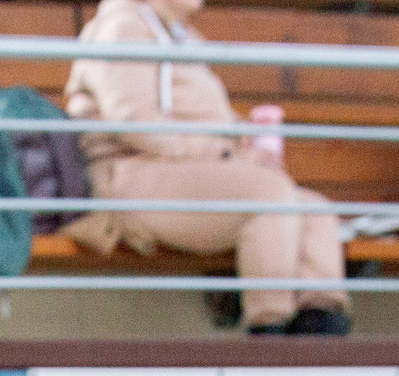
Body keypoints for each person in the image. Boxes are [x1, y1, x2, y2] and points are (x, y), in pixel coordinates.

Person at [63, 0, 350, 335]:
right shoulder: (122, 27)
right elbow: (133, 122)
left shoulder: (179, 35)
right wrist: (223, 153)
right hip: (131, 177)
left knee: (315, 211)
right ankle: (271, 336)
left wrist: (248, 146)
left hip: (185, 170)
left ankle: (321, 335)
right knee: (270, 196)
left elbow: (212, 125)